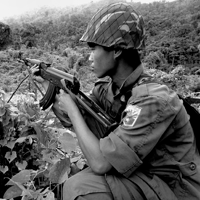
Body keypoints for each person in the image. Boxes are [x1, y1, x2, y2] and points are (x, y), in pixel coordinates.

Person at [33, 2, 200, 200]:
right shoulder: (109, 88)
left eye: (94, 48)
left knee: (81, 188)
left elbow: (101, 163)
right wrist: (50, 89)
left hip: (175, 188)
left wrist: (73, 111)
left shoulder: (152, 100)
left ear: (117, 50)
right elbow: (79, 120)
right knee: (76, 182)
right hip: (146, 174)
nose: (89, 58)